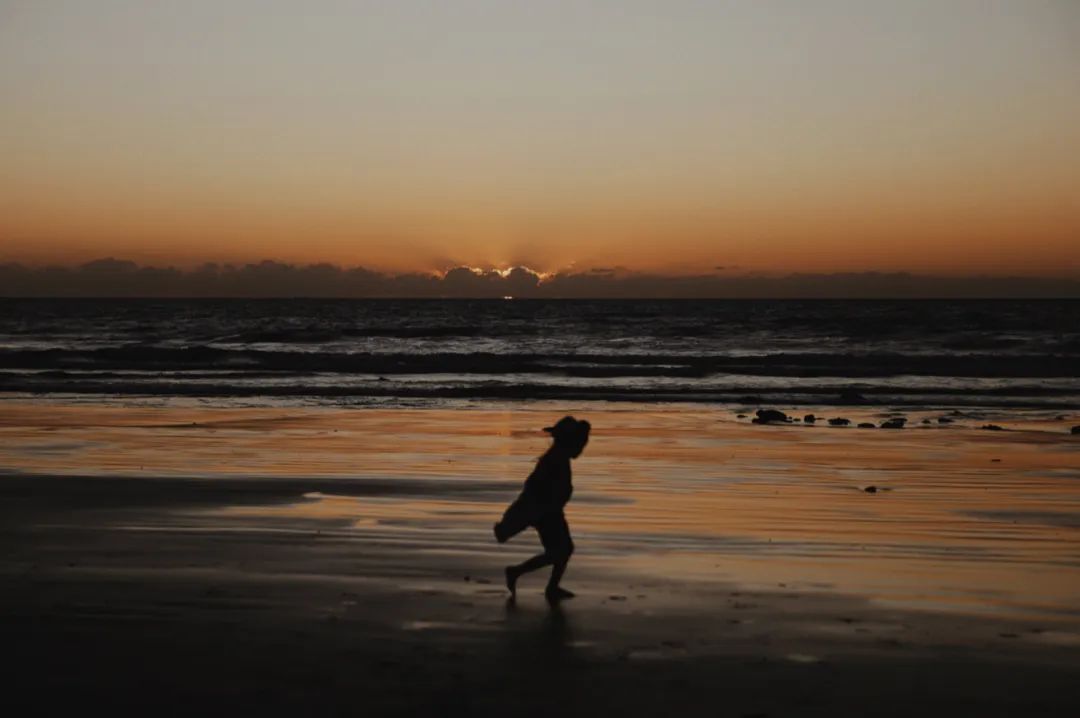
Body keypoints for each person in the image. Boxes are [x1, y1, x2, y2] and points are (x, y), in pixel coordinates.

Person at [494, 416, 590, 602]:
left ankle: (543, 583)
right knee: (561, 551)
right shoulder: (554, 460)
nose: (582, 448)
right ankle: (520, 574)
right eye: (580, 443)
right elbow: (531, 489)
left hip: (549, 511)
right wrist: (520, 517)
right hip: (545, 512)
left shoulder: (558, 457)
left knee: (563, 550)